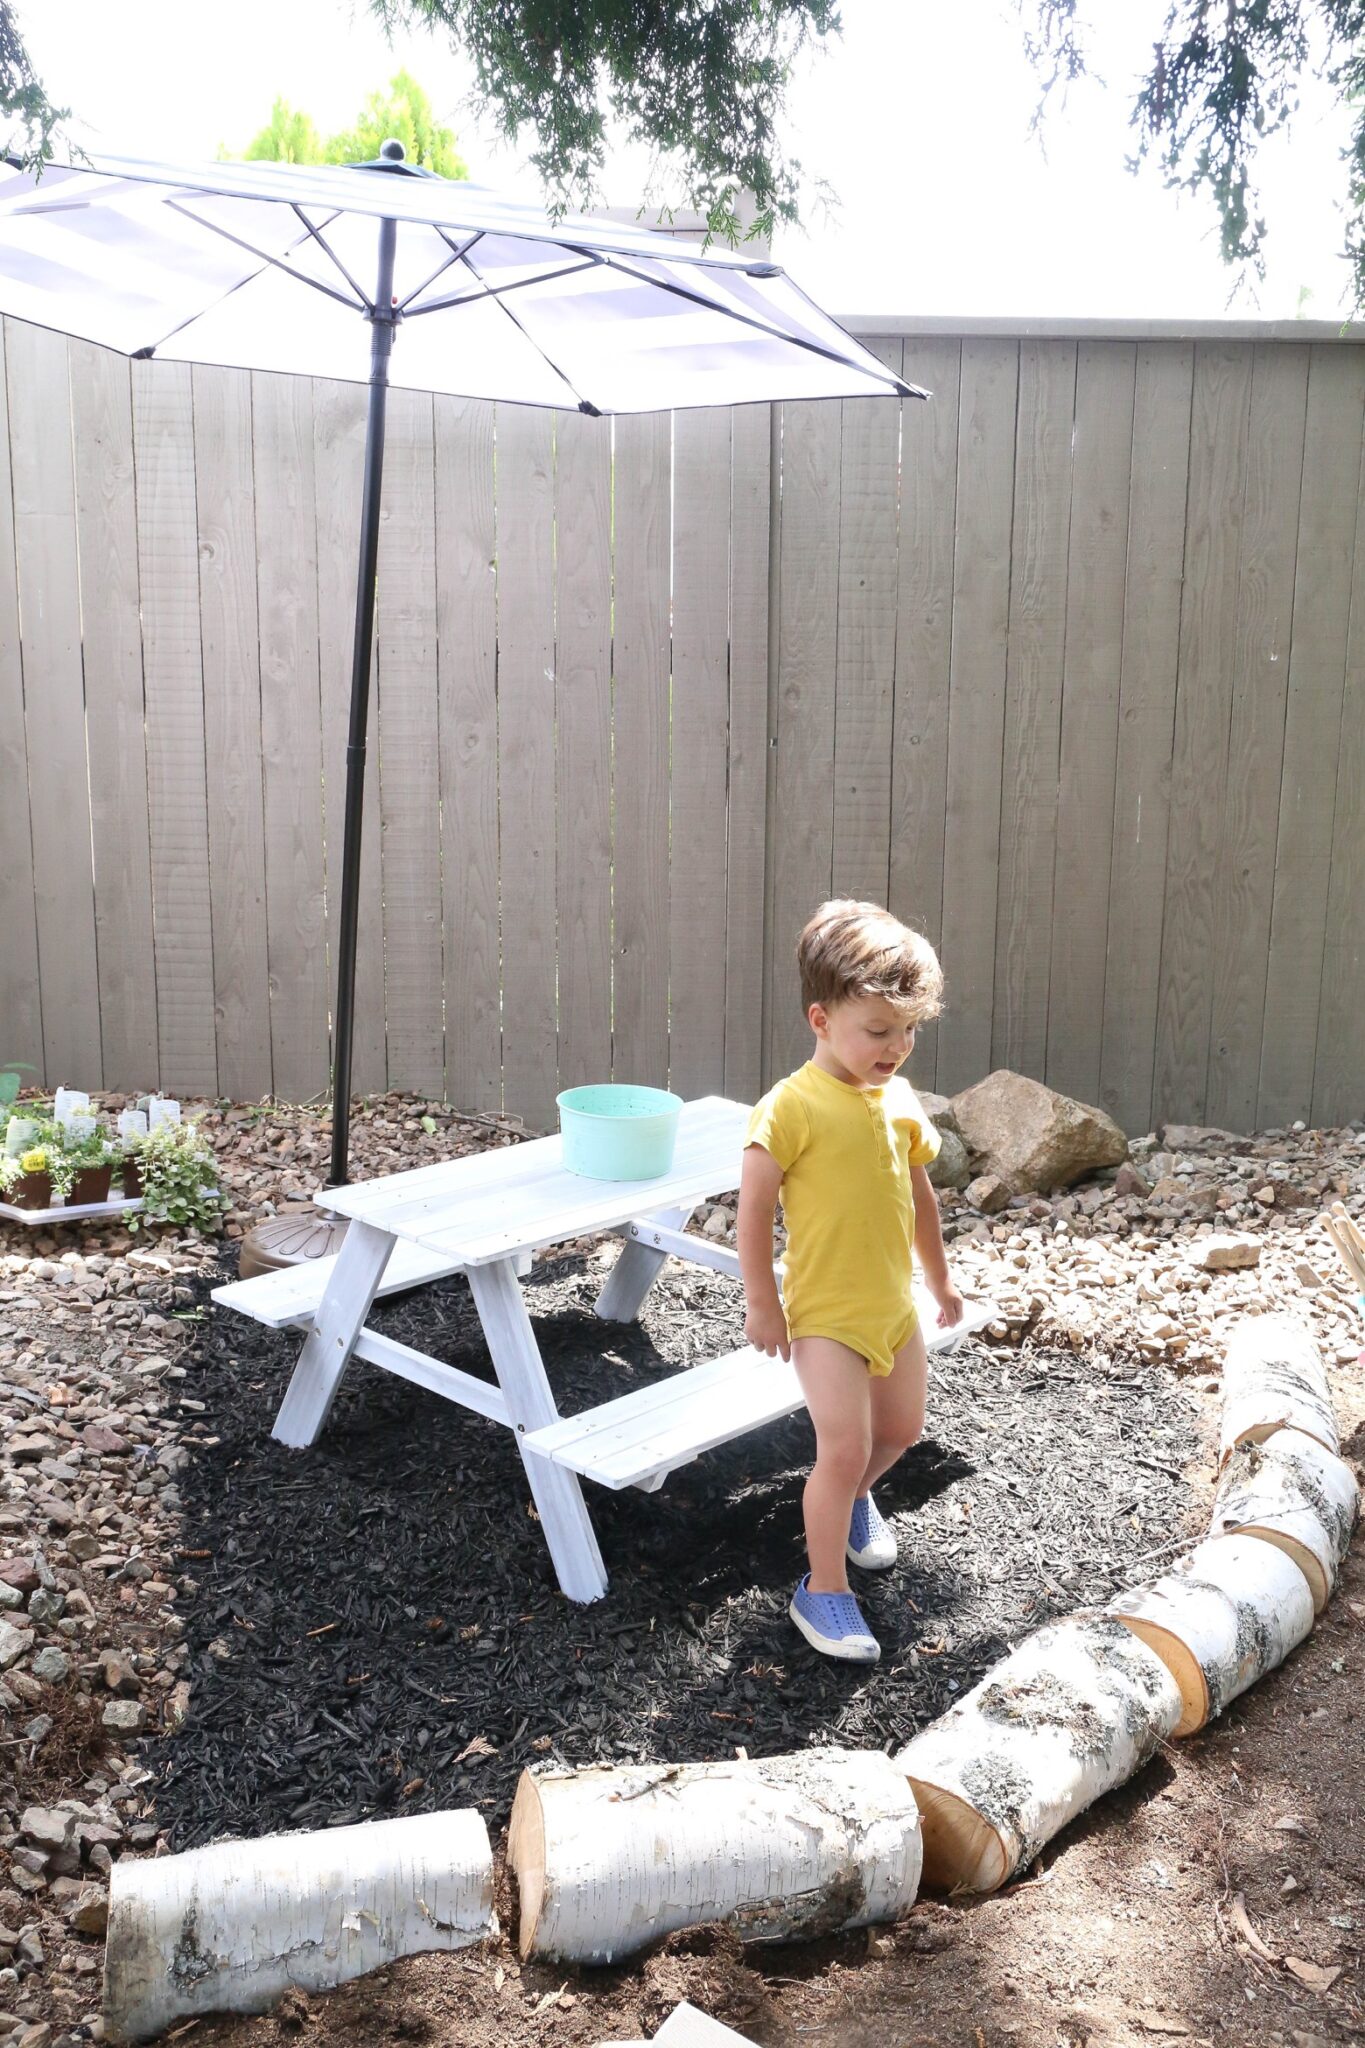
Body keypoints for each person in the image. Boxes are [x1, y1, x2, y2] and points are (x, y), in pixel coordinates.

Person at [737, 899, 963, 1664]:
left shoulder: (895, 1099)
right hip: (825, 1314)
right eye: (877, 1031)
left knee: (899, 1431)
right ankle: (822, 1588)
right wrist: (763, 1303)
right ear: (820, 1018)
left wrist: (937, 1281)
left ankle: (855, 1497)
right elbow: (754, 1203)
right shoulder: (790, 1107)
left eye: (907, 1031)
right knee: (841, 1446)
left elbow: (920, 1198)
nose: (895, 1047)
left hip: (890, 1305)